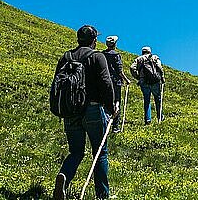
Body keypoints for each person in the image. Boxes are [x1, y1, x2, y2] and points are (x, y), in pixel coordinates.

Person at [53, 25, 117, 200]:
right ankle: (102, 195)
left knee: (75, 152)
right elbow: (106, 83)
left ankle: (64, 178)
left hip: (71, 110)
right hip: (93, 110)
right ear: (94, 40)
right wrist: (111, 108)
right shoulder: (97, 56)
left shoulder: (66, 57)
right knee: (99, 153)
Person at [102, 35, 131, 133]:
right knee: (117, 103)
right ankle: (115, 126)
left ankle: (105, 123)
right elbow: (119, 71)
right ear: (115, 44)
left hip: (105, 81)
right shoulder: (116, 55)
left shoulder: (102, 54)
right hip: (115, 82)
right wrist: (127, 80)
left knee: (105, 102)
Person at [130, 46, 165, 125]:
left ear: (142, 52)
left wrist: (138, 77)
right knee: (158, 99)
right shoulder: (154, 57)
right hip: (155, 81)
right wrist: (162, 77)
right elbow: (159, 67)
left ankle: (148, 119)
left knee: (147, 100)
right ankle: (160, 117)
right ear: (150, 51)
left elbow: (132, 68)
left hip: (144, 82)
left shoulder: (139, 59)